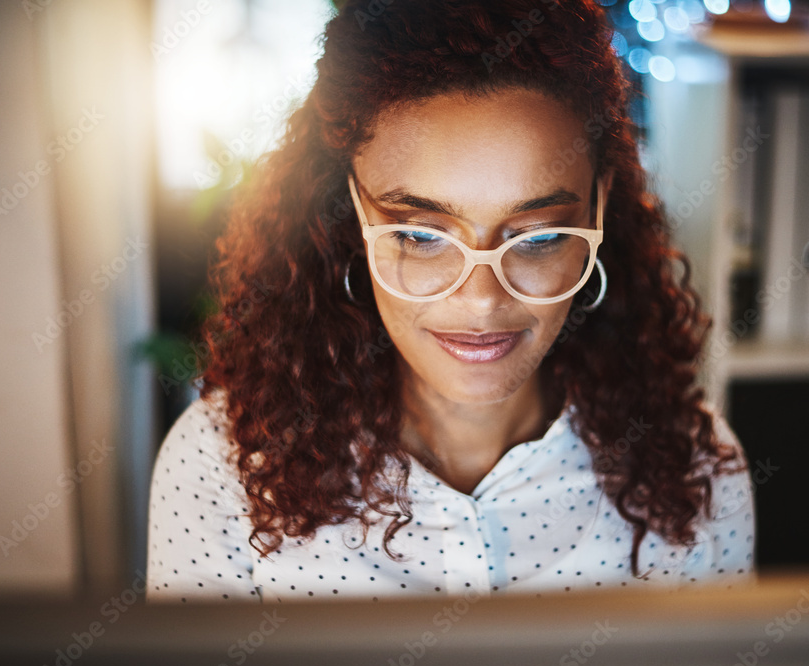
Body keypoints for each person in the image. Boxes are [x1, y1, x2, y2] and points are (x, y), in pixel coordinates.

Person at [146, 0, 754, 604]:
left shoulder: (696, 469)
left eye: (540, 237)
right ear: (350, 213)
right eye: (418, 235)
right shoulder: (221, 468)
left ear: (600, 205)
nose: (482, 301)